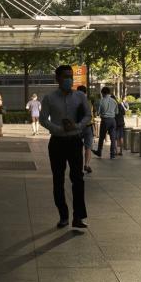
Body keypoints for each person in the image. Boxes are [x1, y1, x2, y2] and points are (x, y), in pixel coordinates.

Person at [41, 66, 90, 229]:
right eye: (65, 77)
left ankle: (78, 216)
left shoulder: (80, 96)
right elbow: (43, 119)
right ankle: (63, 215)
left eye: (71, 77)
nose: (69, 80)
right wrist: (59, 129)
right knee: (58, 180)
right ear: (57, 79)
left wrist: (76, 126)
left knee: (78, 179)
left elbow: (88, 116)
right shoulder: (49, 98)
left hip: (75, 141)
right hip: (57, 142)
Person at [93, 86, 118, 159]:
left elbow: (98, 112)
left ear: (103, 93)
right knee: (113, 138)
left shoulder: (101, 101)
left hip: (105, 120)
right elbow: (116, 112)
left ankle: (99, 152)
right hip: (113, 120)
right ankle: (112, 154)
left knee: (101, 137)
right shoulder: (114, 101)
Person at [76, 85, 94, 173]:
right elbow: (91, 116)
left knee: (77, 147)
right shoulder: (89, 102)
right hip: (88, 127)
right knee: (88, 147)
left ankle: (78, 165)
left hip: (77, 127)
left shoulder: (74, 103)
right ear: (86, 93)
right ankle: (86, 165)